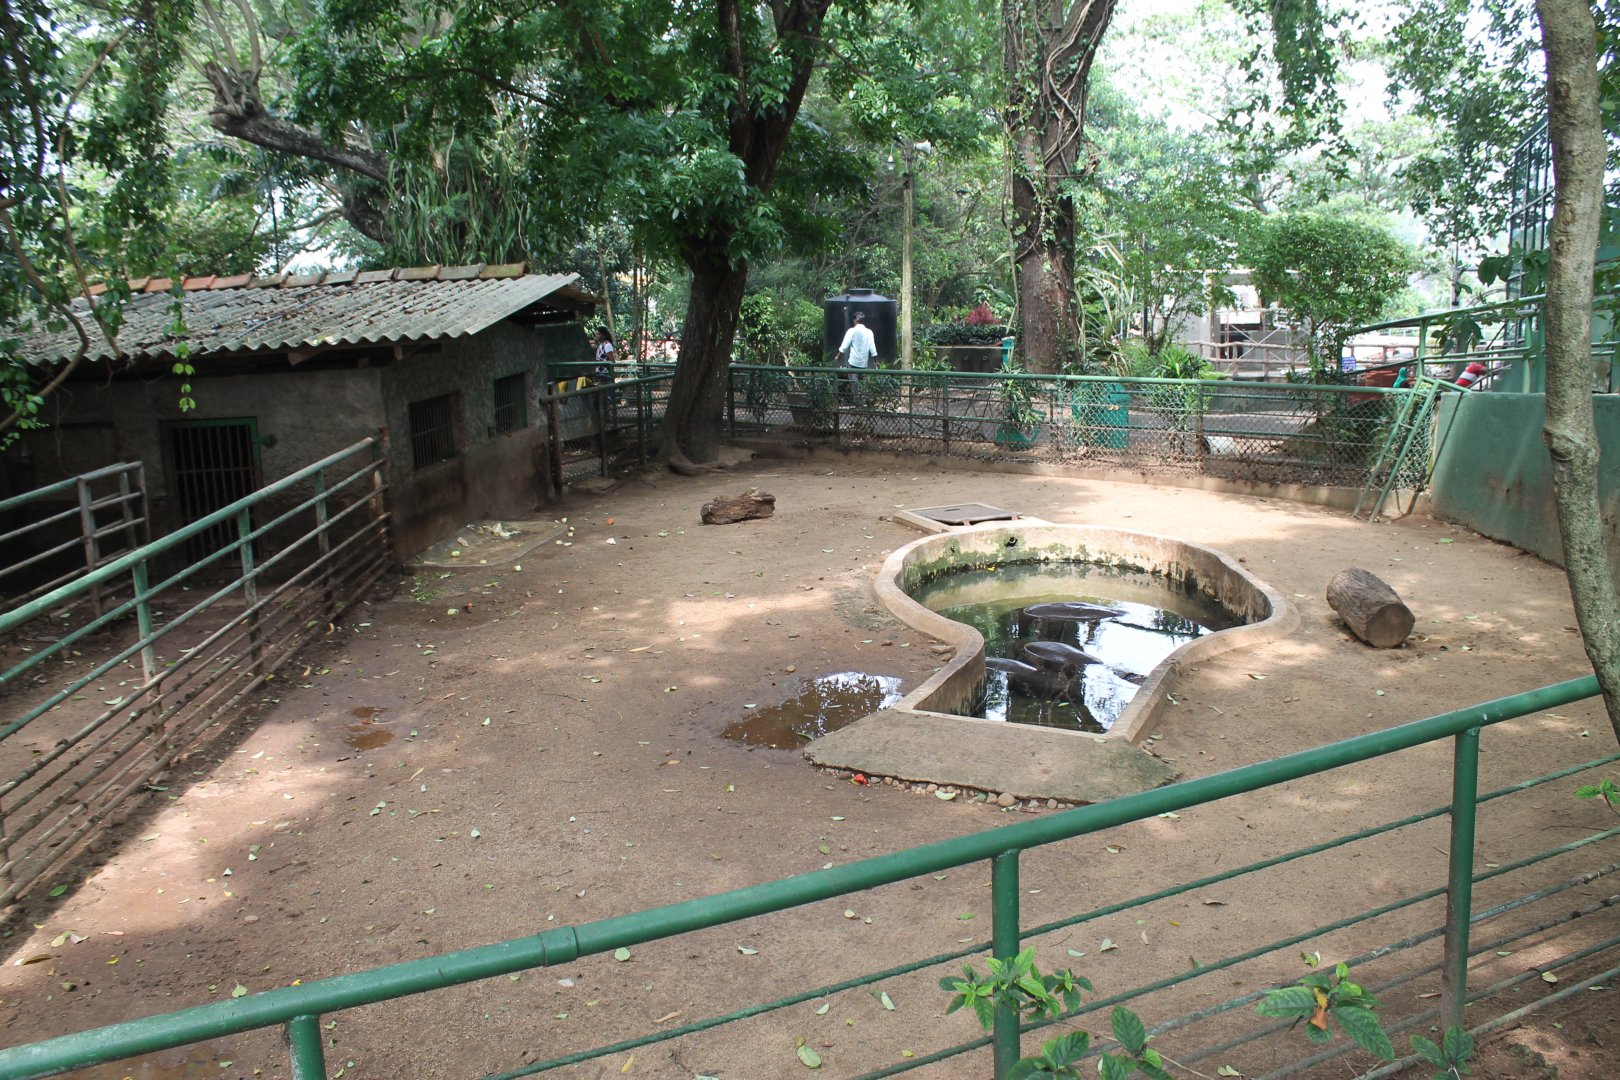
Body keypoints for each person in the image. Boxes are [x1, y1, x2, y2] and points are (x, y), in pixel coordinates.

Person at [835, 312, 878, 401]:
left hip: (853, 363)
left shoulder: (851, 331)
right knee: (862, 384)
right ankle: (861, 401)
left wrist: (838, 356)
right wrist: (876, 361)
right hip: (863, 364)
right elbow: (872, 348)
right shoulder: (869, 332)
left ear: (854, 320)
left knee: (854, 384)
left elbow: (844, 345)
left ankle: (856, 402)